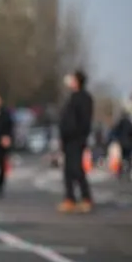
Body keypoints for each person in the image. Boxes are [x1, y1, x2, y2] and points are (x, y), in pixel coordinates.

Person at [58, 70, 94, 213]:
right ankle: (69, 198)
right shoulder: (71, 98)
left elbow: (84, 121)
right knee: (67, 170)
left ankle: (86, 198)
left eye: (73, 79)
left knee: (77, 169)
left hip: (77, 139)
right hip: (67, 139)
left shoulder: (84, 98)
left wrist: (80, 135)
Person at [109, 110, 132, 181]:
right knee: (129, 159)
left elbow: (114, 132)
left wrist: (115, 139)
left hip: (122, 143)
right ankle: (128, 174)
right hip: (129, 144)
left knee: (122, 159)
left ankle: (120, 174)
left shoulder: (120, 123)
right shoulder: (131, 124)